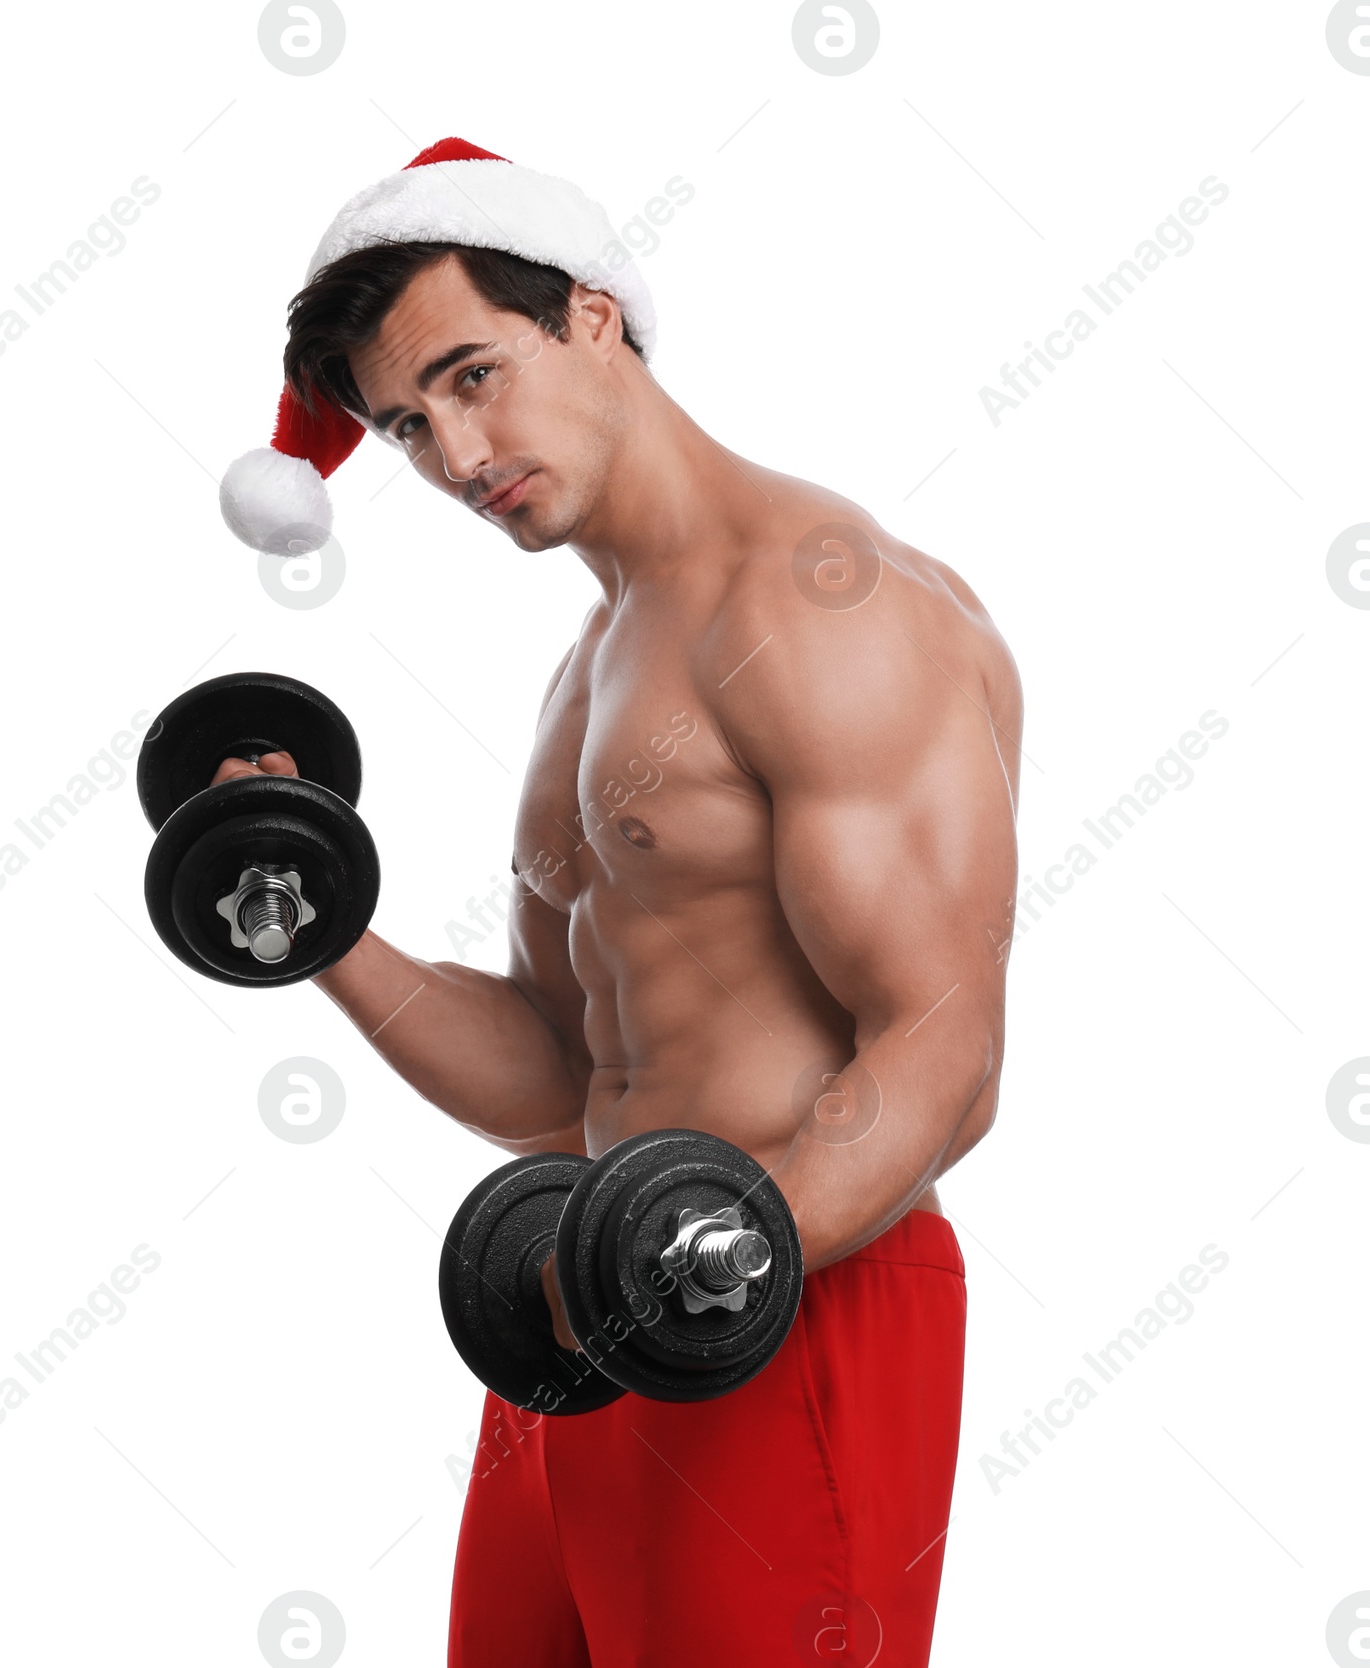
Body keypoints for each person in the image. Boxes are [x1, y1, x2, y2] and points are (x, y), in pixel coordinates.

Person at [216, 138, 1021, 1667]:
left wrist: (718, 1257)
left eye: (471, 376)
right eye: (402, 427)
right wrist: (316, 924)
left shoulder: (817, 602)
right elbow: (556, 1066)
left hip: (783, 1310)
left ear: (590, 315)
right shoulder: (592, 668)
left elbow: (940, 1046)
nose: (455, 458)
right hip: (585, 1316)